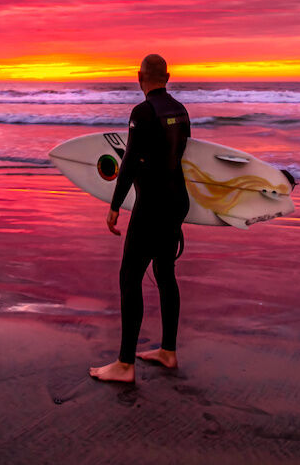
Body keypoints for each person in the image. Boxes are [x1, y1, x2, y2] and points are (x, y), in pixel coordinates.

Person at [89, 53, 191, 383]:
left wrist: (115, 205)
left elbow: (130, 161)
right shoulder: (180, 110)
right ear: (168, 76)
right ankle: (169, 351)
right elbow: (181, 156)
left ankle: (124, 364)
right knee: (164, 272)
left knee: (130, 277)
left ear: (139, 77)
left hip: (152, 207)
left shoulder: (142, 112)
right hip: (177, 202)